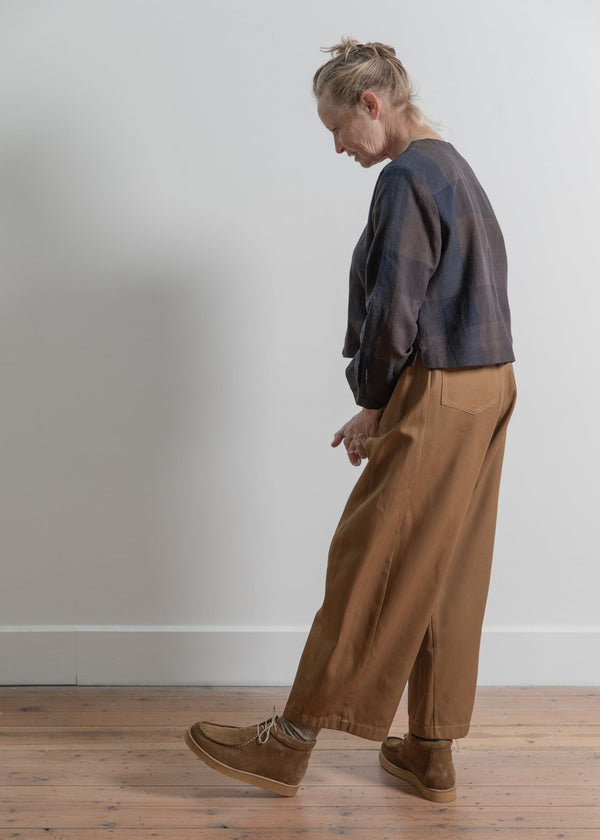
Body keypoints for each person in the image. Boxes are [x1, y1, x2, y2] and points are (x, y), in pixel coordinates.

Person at [185, 38, 516, 803]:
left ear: (374, 105)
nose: (338, 146)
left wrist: (374, 398)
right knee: (449, 568)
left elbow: (394, 304)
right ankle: (429, 751)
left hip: (438, 387)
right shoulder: (454, 166)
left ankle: (292, 739)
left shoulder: (405, 178)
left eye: (340, 127)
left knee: (372, 557)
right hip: (491, 382)